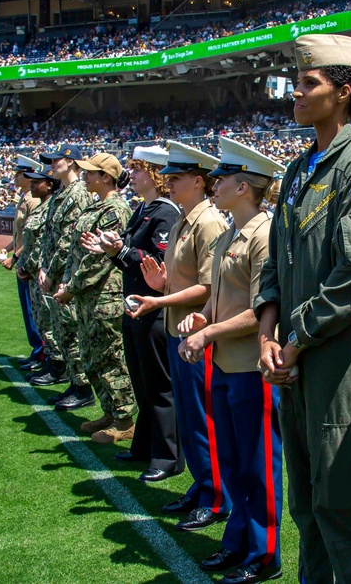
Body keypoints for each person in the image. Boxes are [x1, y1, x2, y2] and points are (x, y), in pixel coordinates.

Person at [255, 34, 351, 583]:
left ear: (343, 92)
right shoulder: (297, 171)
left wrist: (291, 342)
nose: (296, 91)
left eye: (309, 83)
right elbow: (275, 266)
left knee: (344, 514)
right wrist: (268, 337)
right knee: (306, 511)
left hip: (337, 367)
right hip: (293, 365)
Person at [177, 137, 284, 584]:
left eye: (223, 178)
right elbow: (223, 301)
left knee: (258, 467)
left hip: (251, 370)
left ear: (245, 186)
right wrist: (203, 317)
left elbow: (261, 308)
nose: (215, 184)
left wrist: (207, 331)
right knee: (236, 464)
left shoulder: (265, 234)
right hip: (225, 365)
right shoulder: (227, 236)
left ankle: (264, 555)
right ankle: (238, 542)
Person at [126, 141, 229, 529]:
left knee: (204, 419)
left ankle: (216, 495)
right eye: (168, 176)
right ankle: (202, 486)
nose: (168, 182)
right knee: (188, 417)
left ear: (200, 182)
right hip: (178, 331)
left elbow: (209, 286)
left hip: (195, 331)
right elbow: (188, 280)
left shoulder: (207, 222)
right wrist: (163, 283)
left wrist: (159, 300)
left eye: (178, 177)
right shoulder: (188, 219)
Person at [82, 145, 182, 481]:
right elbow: (131, 256)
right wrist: (112, 250)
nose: (133, 176)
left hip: (152, 308)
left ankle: (168, 457)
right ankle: (144, 445)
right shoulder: (144, 210)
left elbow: (159, 260)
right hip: (135, 304)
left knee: (158, 385)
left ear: (154, 174)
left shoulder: (165, 213)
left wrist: (122, 248)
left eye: (138, 170)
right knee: (141, 382)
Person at [54, 153, 137, 444]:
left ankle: (125, 419)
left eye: (91, 173)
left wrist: (71, 287)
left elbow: (98, 262)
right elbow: (79, 251)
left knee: (110, 356)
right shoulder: (96, 205)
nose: (85, 176)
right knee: (91, 356)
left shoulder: (115, 209)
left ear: (106, 177)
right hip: (89, 295)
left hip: (105, 295)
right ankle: (110, 412)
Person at [35, 144, 94, 409]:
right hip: (56, 272)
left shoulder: (78, 194)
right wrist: (43, 266)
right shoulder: (63, 193)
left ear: (70, 162)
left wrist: (51, 269)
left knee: (71, 332)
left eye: (55, 160)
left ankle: (82, 388)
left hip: (65, 273)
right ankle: (73, 381)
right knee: (62, 331)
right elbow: (50, 237)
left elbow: (71, 239)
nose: (51, 165)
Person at [15, 169, 63, 380]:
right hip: (35, 274)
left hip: (43, 274)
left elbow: (44, 245)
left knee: (49, 322)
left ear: (50, 185)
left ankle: (58, 367)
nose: (32, 186)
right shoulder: (42, 207)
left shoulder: (50, 208)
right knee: (41, 321)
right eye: (31, 183)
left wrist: (28, 265)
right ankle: (50, 363)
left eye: (36, 183)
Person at [1, 156, 43, 366]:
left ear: (28, 175)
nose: (15, 176)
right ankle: (37, 351)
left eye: (18, 173)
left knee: (32, 308)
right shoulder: (25, 197)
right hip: (22, 258)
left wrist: (15, 257)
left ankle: (41, 352)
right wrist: (8, 249)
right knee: (28, 308)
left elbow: (33, 235)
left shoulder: (33, 199)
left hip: (29, 262)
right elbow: (20, 234)